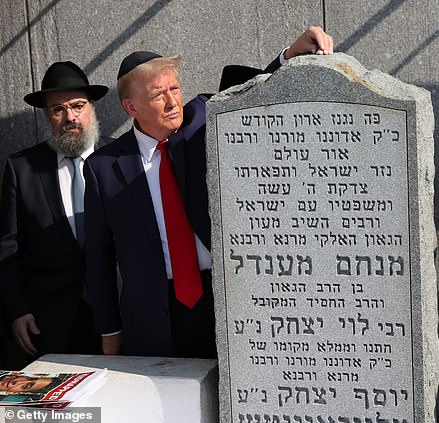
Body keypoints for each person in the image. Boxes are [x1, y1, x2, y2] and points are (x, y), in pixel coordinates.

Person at [84, 27, 333, 358]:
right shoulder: (104, 167)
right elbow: (99, 257)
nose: (173, 101)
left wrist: (291, 54)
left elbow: (252, 94)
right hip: (153, 317)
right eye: (159, 95)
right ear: (131, 106)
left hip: (222, 299)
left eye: (175, 88)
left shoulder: (201, 117)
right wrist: (110, 331)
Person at [0, 61, 110, 369]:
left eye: (77, 106)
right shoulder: (22, 168)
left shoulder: (119, 159)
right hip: (47, 323)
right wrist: (17, 310)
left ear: (91, 107)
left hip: (115, 317)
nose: (69, 117)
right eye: (57, 109)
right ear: (47, 115)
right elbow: (8, 249)